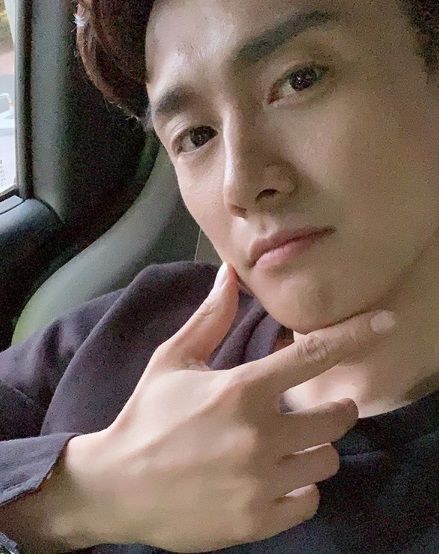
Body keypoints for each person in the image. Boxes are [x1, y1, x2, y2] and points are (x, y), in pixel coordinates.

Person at [0, 0, 438, 552]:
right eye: (196, 135)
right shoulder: (141, 318)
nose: (240, 185)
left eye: (299, 80)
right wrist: (80, 495)